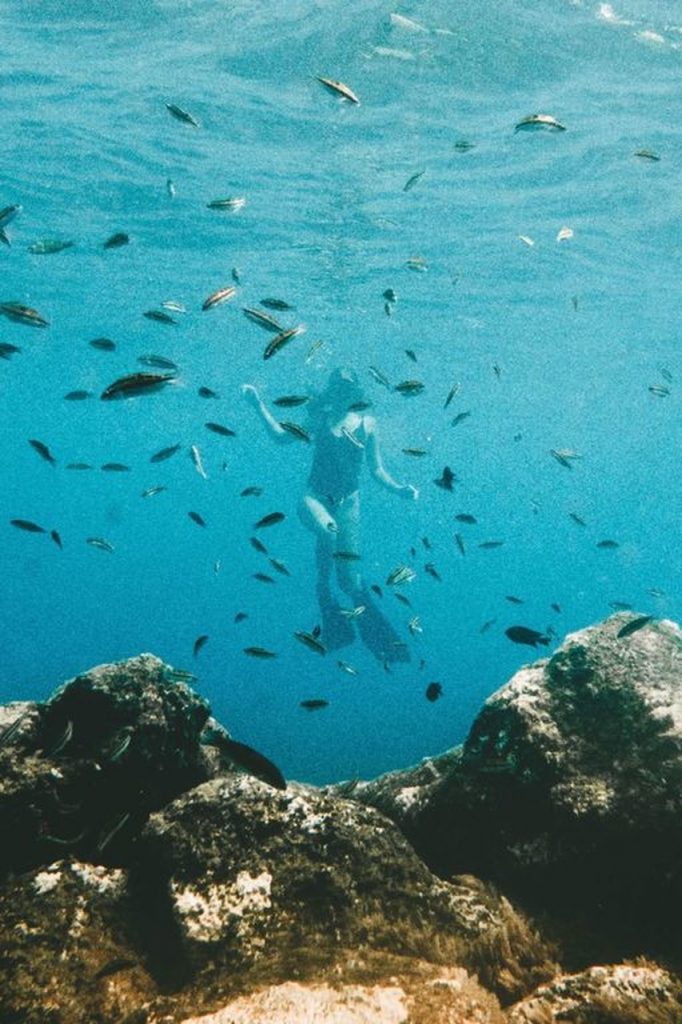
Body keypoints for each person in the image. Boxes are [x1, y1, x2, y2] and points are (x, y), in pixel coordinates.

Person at [242, 368, 419, 663]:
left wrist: (400, 489)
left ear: (355, 393)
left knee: (351, 582)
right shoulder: (319, 418)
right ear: (331, 391)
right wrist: (257, 404)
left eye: (347, 390)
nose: (341, 395)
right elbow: (279, 436)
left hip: (349, 502)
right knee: (329, 530)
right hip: (314, 498)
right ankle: (323, 591)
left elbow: (377, 470)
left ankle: (379, 639)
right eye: (337, 389)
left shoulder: (367, 423)